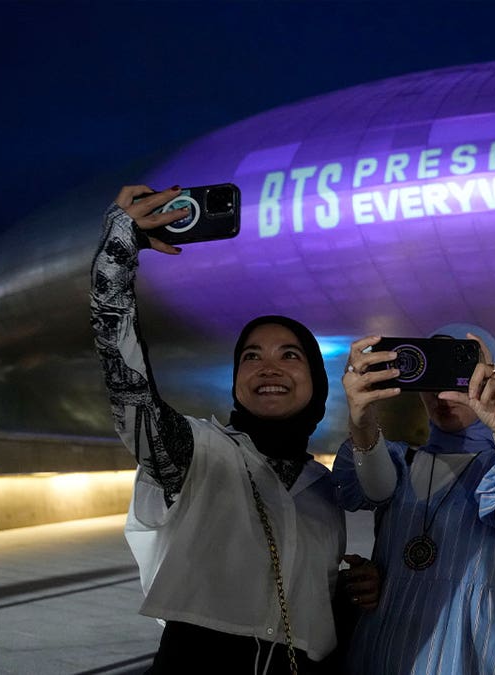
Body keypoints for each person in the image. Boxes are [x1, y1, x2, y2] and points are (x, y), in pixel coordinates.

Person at [91, 185, 379, 674]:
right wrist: (116, 258)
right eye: (251, 356)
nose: (269, 368)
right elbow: (130, 391)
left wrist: (361, 590)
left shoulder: (324, 490)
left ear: (316, 380)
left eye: (290, 355)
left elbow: (317, 602)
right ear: (236, 381)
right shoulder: (194, 454)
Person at [332, 325, 495, 675]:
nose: (442, 393)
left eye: (461, 375)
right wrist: (361, 419)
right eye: (431, 375)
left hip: (458, 649)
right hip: (382, 643)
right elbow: (375, 487)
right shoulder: (401, 462)